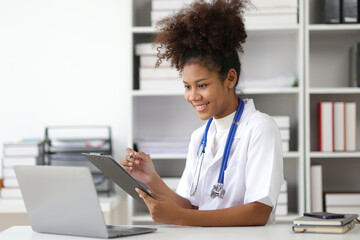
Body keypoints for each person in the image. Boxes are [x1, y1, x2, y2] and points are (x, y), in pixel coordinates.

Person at [120, 0, 284, 226]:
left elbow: (258, 212)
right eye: (187, 86)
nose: (193, 96)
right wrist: (152, 178)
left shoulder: (260, 128)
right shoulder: (200, 137)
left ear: (230, 78)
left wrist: (179, 217)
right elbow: (192, 207)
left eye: (202, 85)